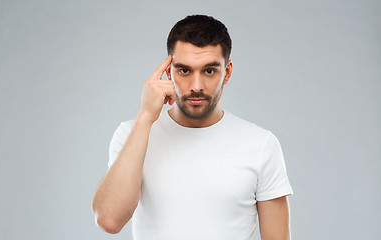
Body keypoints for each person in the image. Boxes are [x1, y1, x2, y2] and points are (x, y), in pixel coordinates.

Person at [91, 14, 294, 240]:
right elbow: (109, 220)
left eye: (209, 71)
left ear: (226, 72)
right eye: (184, 71)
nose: (196, 86)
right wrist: (145, 117)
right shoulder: (133, 134)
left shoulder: (261, 144)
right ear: (168, 72)